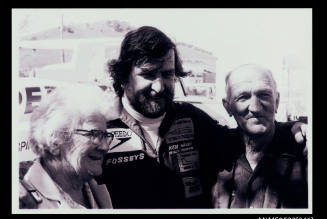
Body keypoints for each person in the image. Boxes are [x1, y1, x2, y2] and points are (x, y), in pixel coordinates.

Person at [96, 26, 307, 209]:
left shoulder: (191, 118)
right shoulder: (98, 128)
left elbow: (242, 137)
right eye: (148, 74)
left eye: (168, 74)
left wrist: (295, 128)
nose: (159, 87)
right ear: (123, 76)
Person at [212, 64, 308, 208]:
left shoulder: (302, 151)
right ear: (227, 106)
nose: (255, 107)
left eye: (264, 95)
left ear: (277, 101)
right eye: (243, 97)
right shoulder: (215, 151)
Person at [19, 84, 120, 209]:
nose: (105, 147)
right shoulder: (23, 203)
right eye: (94, 134)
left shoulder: (97, 190)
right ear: (55, 142)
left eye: (105, 135)